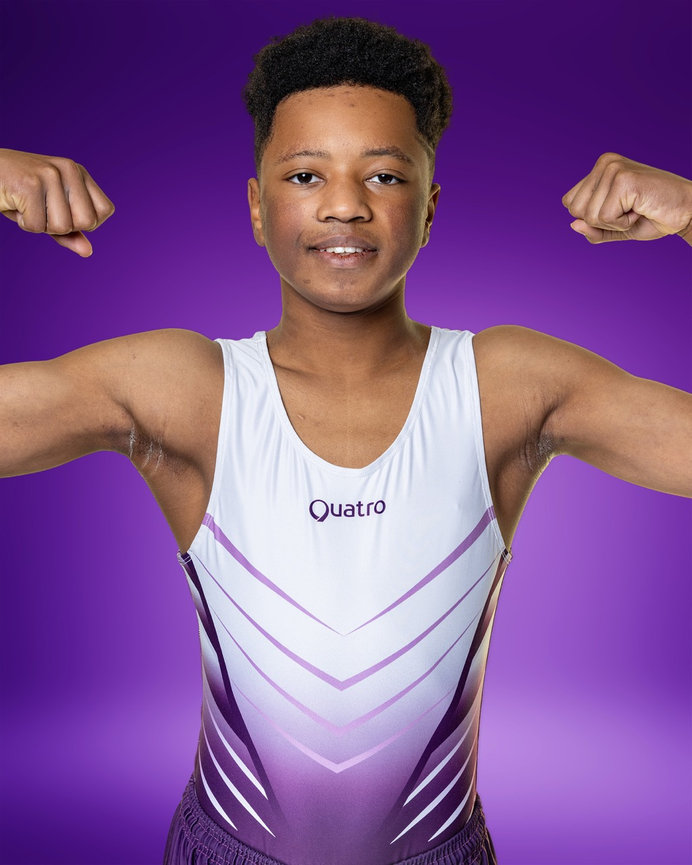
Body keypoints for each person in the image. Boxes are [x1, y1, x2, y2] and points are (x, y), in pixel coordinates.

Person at [1, 15, 690, 865]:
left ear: (429, 209)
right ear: (258, 208)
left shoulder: (508, 385)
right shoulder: (188, 391)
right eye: (304, 173)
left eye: (385, 174)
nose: (344, 204)